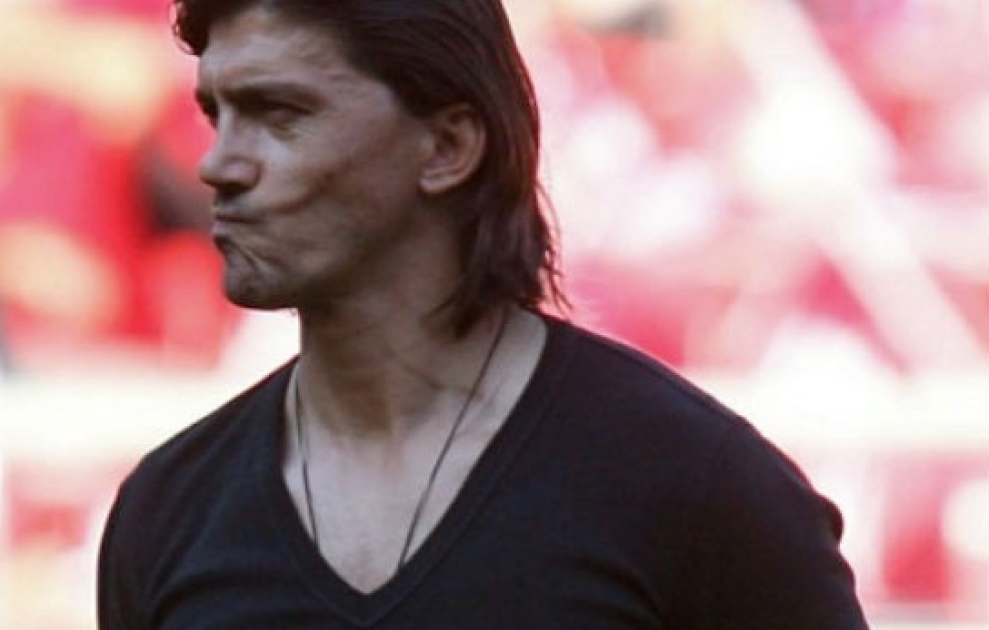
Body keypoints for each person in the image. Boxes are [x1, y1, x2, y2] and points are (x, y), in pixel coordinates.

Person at [97, 0, 870, 627]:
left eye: (280, 113)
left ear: (448, 146)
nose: (219, 165)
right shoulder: (171, 509)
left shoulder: (694, 486)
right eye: (217, 115)